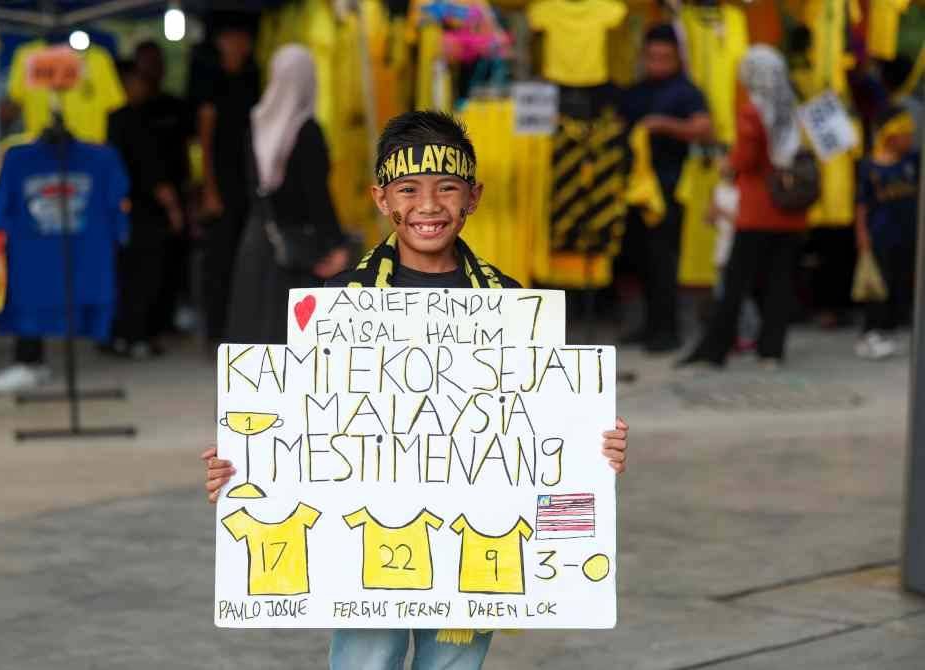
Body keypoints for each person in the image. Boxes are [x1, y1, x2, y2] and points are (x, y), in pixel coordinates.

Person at [201, 110, 631, 669]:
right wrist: (243, 465)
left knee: (455, 662)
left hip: (479, 531)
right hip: (364, 538)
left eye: (447, 188)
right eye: (409, 189)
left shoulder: (511, 303)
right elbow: (298, 423)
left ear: (473, 196)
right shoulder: (339, 302)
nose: (429, 206)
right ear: (381, 198)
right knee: (366, 656)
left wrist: (593, 451)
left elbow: (543, 420)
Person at [679, 45, 807, 370]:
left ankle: (715, 348)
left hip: (756, 211)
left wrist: (728, 163)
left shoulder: (753, 111)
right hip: (790, 212)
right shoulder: (792, 108)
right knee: (778, 283)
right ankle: (771, 351)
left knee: (735, 282)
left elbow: (746, 159)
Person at [226, 45, 349, 343]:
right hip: (297, 249)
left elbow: (251, 189)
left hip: (257, 242)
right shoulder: (307, 131)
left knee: (255, 336)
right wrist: (335, 244)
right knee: (291, 338)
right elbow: (316, 196)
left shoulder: (257, 124)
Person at [621, 23, 713, 353]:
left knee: (663, 261)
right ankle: (648, 325)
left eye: (665, 57)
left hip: (670, 188)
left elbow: (704, 129)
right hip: (635, 190)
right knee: (640, 260)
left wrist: (664, 125)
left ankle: (668, 331)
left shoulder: (686, 90)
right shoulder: (636, 90)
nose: (658, 63)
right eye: (653, 57)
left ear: (676, 58)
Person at [105, 61, 183, 359]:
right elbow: (153, 174)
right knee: (142, 276)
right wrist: (174, 209)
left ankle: (120, 335)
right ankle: (134, 335)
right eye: (139, 81)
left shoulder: (117, 120)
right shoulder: (133, 121)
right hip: (142, 211)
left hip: (120, 210)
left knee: (127, 275)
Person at [198, 19, 260, 346]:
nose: (238, 46)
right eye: (231, 38)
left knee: (248, 258)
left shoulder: (255, 79)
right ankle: (216, 332)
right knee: (220, 258)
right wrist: (209, 187)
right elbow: (205, 138)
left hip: (251, 181)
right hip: (221, 181)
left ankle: (243, 329)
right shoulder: (212, 81)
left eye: (242, 39)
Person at [132, 40, 194, 336]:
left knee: (173, 263)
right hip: (142, 201)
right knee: (144, 268)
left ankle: (165, 321)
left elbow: (189, 149)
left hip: (176, 190)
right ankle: (143, 328)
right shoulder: (128, 115)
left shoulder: (175, 107)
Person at [854, 106, 920, 360]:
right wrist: (861, 234)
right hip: (879, 235)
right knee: (877, 286)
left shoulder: (912, 161)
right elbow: (861, 203)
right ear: (890, 136)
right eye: (905, 134)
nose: (910, 139)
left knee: (900, 281)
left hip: (907, 235)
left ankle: (890, 330)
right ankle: (871, 331)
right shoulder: (870, 166)